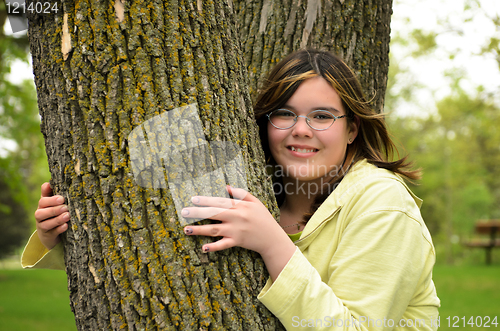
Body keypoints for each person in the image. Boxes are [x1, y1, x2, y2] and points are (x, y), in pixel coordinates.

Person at [23, 49, 440, 330]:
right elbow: (140, 245)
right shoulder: (256, 184)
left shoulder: (383, 204)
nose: (300, 130)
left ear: (352, 129)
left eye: (322, 116)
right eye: (284, 114)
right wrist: (57, 233)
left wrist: (273, 243)